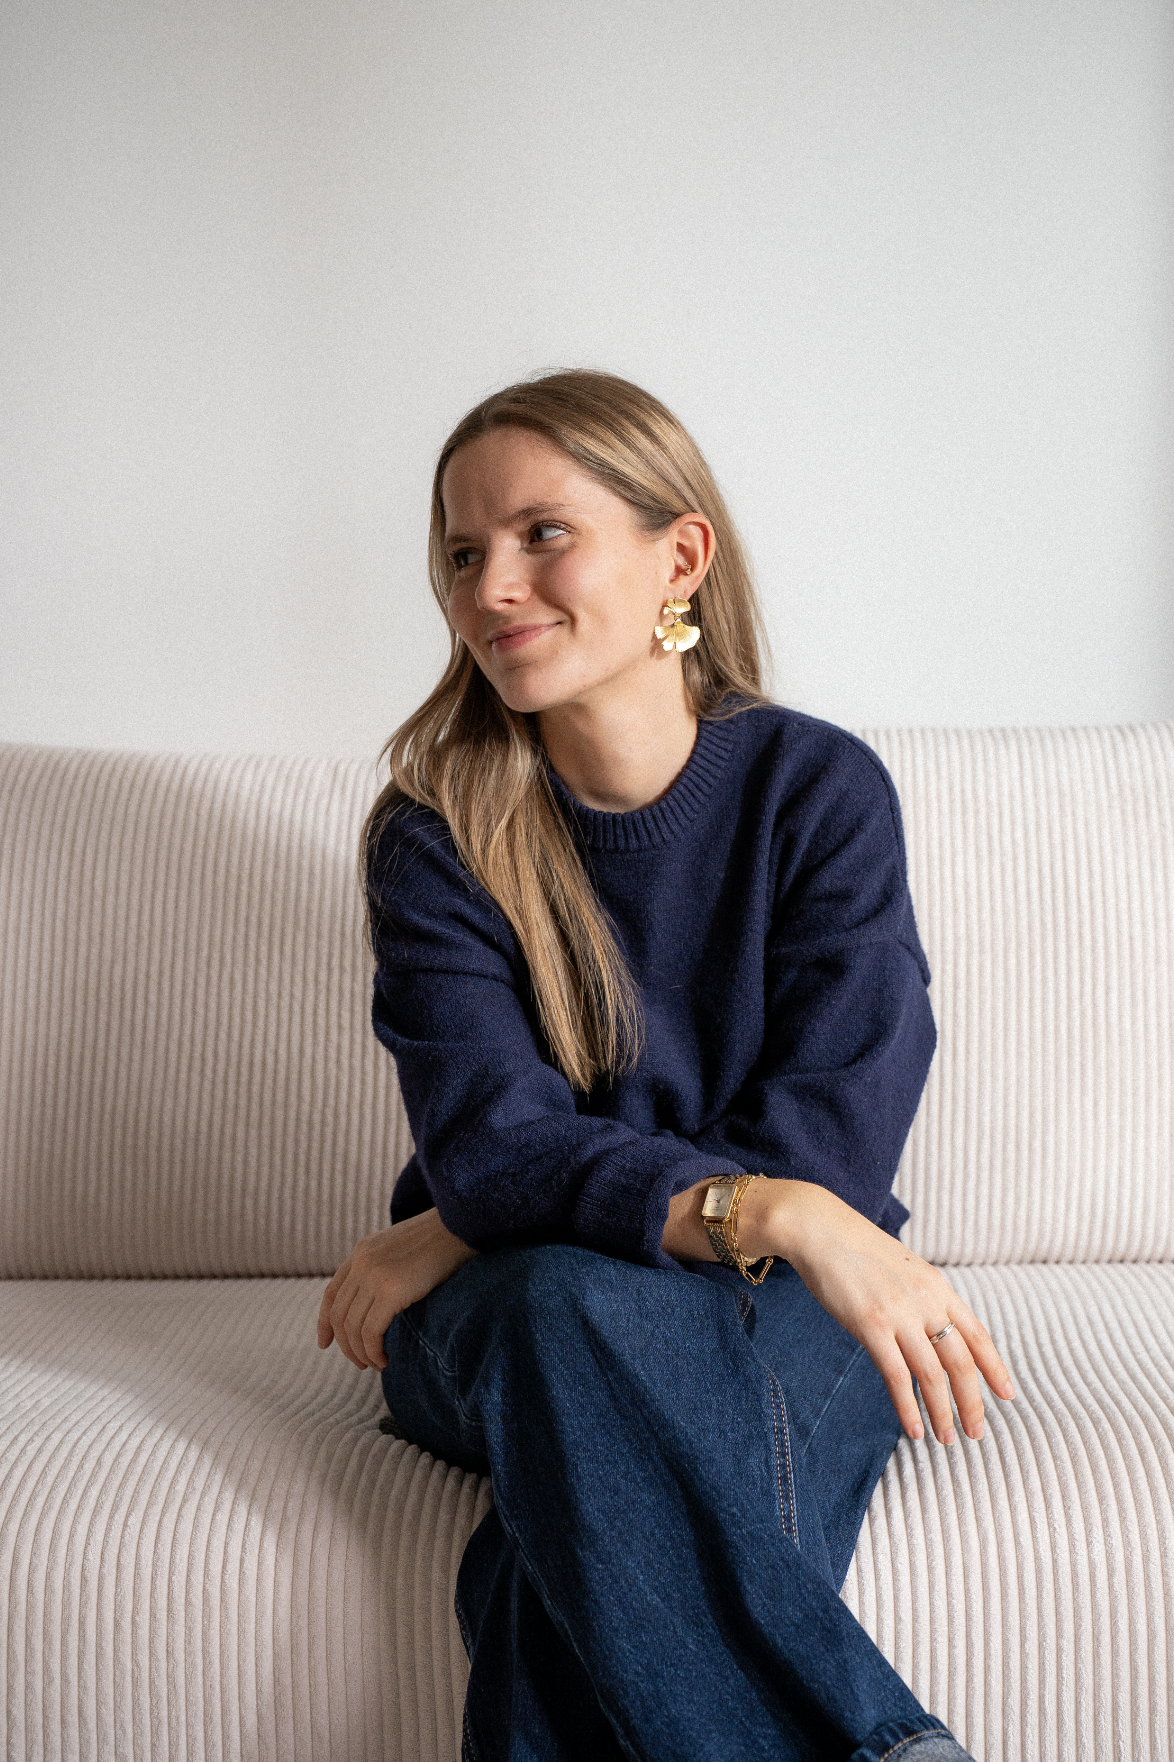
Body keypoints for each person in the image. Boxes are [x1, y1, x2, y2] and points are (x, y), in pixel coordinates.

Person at [317, 369, 1014, 1761]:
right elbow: (492, 1144)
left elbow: (829, 1135)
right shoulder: (436, 833)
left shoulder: (815, 794)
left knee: (562, 1529)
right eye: (461, 554)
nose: (490, 584)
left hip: (713, 1294)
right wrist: (770, 1213)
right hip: (516, 1311)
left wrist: (481, 1217)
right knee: (571, 1309)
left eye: (540, 534)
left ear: (677, 559)